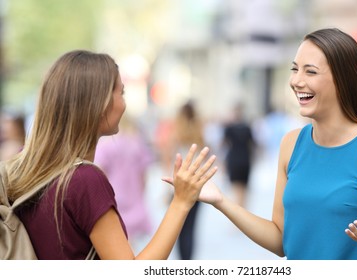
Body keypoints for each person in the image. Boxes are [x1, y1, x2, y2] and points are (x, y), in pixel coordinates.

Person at [196, 28, 357, 260]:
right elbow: (281, 239)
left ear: (344, 80)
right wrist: (220, 201)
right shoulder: (291, 144)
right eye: (295, 69)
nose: (296, 81)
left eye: (310, 72)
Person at [2, 50, 217, 260]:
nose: (124, 103)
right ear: (98, 103)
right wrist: (180, 202)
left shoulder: (23, 164)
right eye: (121, 92)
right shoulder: (85, 180)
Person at [94, 114, 154, 254]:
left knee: (121, 242)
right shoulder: (136, 143)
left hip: (115, 199)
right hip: (134, 198)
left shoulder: (105, 146)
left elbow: (100, 174)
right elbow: (144, 175)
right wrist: (141, 192)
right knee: (129, 244)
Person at [168, 101, 206, 260]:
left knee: (178, 228)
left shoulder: (177, 133)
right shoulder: (199, 132)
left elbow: (169, 161)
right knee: (191, 228)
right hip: (197, 186)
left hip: (179, 185)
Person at [222, 103, 255, 207]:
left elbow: (224, 144)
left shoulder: (229, 128)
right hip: (245, 160)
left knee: (236, 189)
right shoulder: (247, 127)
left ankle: (238, 213)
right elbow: (252, 144)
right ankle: (243, 211)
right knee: (244, 190)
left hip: (234, 160)